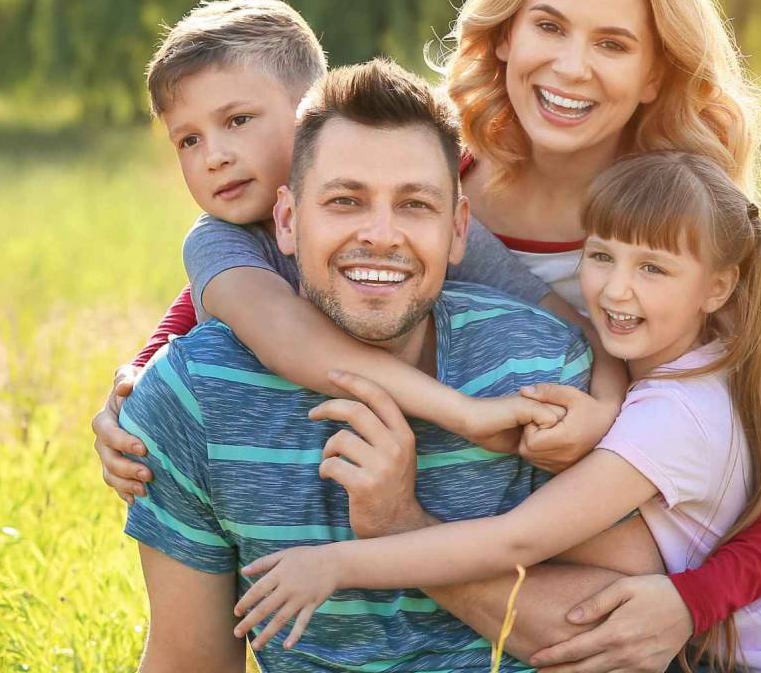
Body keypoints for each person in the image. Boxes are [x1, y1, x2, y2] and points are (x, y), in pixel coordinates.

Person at [102, 0, 761, 671]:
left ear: (655, 74)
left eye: (613, 43)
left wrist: (694, 600)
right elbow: (268, 268)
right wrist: (144, 380)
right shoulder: (432, 172)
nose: (570, 66)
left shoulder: (671, 233)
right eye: (549, 26)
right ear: (506, 35)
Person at [231, 152, 761, 672]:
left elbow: (518, 540)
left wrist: (337, 563)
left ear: (719, 287)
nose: (614, 289)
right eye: (601, 255)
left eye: (653, 269)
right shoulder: (692, 361)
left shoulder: (678, 417)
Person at [118, 59, 663, 671]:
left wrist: (402, 524)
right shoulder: (194, 398)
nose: (381, 235)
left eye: (414, 205)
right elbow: (189, 661)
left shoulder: (542, 373)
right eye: (346, 201)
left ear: (458, 231)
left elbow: (625, 637)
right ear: (289, 221)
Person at [90, 0, 628, 512]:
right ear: (286, 220)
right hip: (272, 480)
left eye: (237, 121)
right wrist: (467, 415)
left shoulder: (408, 222)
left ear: (309, 114)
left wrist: (604, 409)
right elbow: (289, 339)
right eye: (188, 140)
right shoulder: (217, 241)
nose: (215, 157)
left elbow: (566, 319)